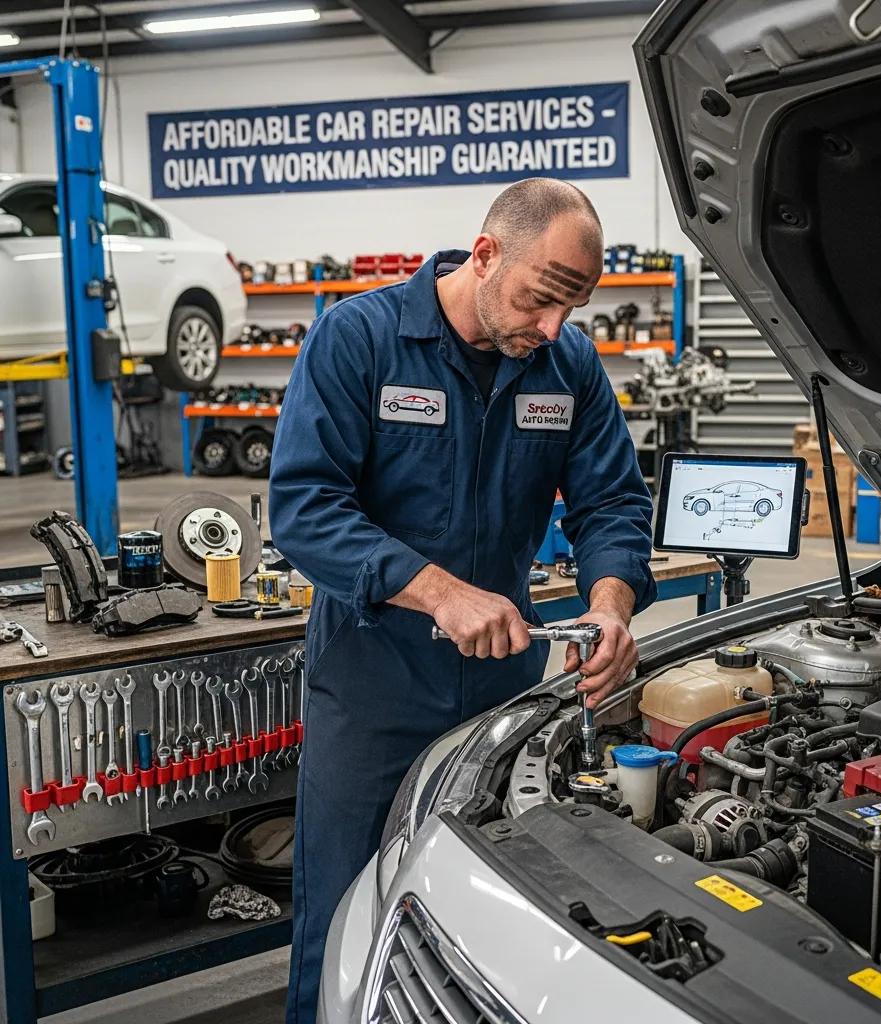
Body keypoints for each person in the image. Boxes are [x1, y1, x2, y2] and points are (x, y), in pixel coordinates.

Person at [269, 177, 656, 1021]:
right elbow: (303, 508)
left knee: (484, 913)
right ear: (485, 255)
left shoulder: (568, 364)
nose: (552, 327)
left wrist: (613, 604)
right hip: (374, 682)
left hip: (499, 689)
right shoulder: (360, 338)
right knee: (343, 914)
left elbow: (614, 503)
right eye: (541, 298)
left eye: (575, 305)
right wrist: (440, 593)